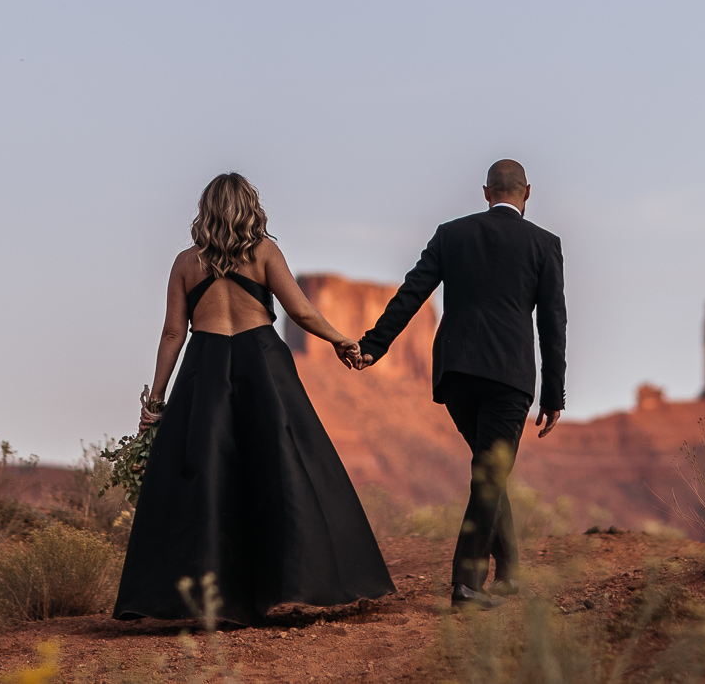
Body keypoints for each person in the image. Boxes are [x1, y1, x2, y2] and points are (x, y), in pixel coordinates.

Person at [113, 172, 396, 624]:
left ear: (205, 210)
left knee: (205, 477)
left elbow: (172, 333)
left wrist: (158, 399)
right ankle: (294, 583)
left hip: (205, 367)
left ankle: (210, 600)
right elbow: (300, 310)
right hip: (262, 361)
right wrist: (341, 340)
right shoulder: (263, 252)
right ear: (250, 207)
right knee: (285, 468)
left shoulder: (186, 263)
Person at [354, 159, 567, 608]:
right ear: (527, 192)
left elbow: (413, 291)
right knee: (490, 473)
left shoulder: (452, 234)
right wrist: (554, 393)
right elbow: (552, 323)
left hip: (455, 374)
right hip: (509, 377)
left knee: (491, 470)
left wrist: (374, 345)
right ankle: (467, 585)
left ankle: (508, 573)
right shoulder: (544, 244)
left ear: (486, 192)